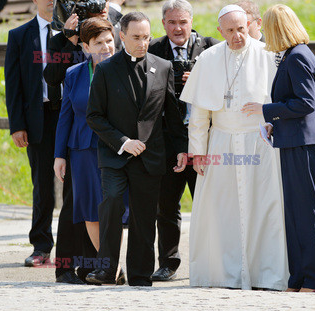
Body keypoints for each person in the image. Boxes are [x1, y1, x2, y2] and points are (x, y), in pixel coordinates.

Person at [180, 4, 289, 291]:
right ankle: (221, 274)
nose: (237, 35)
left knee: (264, 207)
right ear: (220, 31)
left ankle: (265, 274)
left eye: (241, 28)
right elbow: (200, 113)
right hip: (221, 143)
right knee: (221, 210)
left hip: (259, 144)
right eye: (230, 30)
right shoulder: (208, 58)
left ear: (250, 24)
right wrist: (198, 153)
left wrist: (273, 125)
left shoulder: (268, 55)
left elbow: (281, 102)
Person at [85, 12, 188, 286]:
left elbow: (172, 113)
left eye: (146, 37)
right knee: (112, 204)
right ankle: (106, 270)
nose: (143, 43)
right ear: (122, 36)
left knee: (144, 216)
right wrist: (122, 142)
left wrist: (180, 147)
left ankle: (140, 275)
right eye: (136, 37)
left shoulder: (164, 66)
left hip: (150, 156)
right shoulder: (105, 70)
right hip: (114, 155)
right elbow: (94, 116)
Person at [242, 4, 315, 293]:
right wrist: (274, 124)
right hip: (294, 140)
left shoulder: (297, 57)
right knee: (294, 212)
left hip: (305, 143)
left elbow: (305, 103)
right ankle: (299, 278)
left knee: (305, 213)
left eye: (267, 28)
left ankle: (314, 280)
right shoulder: (293, 55)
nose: (264, 33)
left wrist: (265, 110)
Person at [43, 0, 124, 284]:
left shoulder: (121, 63)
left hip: (116, 147)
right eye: (97, 42)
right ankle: (95, 267)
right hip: (82, 149)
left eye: (108, 40)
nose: (105, 46)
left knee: (116, 207)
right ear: (85, 46)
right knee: (85, 209)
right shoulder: (69, 63)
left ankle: (110, 264)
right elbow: (64, 113)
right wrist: (59, 154)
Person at [147, 0, 218, 282]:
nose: (178, 28)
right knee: (166, 206)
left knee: (211, 203)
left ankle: (215, 260)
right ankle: (168, 262)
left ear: (191, 21)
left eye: (183, 22)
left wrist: (199, 81)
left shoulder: (211, 47)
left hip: (206, 141)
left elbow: (225, 88)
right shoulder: (153, 49)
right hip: (166, 141)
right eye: (172, 22)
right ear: (163, 24)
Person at [4, 0, 66, 271]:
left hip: (69, 115)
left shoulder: (71, 32)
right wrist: (18, 124)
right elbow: (13, 82)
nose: (50, 1)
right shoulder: (19, 36)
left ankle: (73, 247)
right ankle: (41, 246)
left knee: (76, 183)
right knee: (42, 185)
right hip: (38, 117)